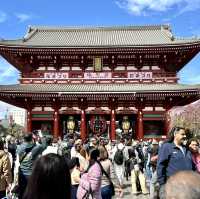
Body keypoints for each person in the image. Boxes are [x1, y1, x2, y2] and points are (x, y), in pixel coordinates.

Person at [157, 126, 195, 199]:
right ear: (175, 134)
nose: (185, 136)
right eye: (182, 134)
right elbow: (160, 166)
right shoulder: (167, 147)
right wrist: (162, 184)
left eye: (185, 134)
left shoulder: (186, 148)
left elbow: (192, 165)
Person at [16, 133, 45, 199]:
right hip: (31, 173)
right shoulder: (35, 148)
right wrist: (40, 135)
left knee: (22, 191)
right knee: (32, 193)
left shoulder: (19, 147)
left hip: (21, 173)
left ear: (24, 139)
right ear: (32, 139)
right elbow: (44, 145)